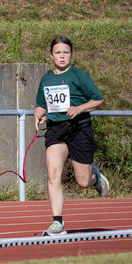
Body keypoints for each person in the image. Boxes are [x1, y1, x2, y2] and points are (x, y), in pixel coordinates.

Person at [33, 35, 109, 237]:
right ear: (51, 56)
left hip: (79, 129)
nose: (62, 56)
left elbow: (98, 99)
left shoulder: (79, 75)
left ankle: (95, 176)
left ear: (71, 55)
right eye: (58, 52)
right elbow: (41, 104)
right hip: (56, 131)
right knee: (53, 174)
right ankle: (57, 223)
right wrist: (38, 113)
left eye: (66, 52)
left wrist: (80, 108)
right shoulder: (46, 79)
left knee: (83, 181)